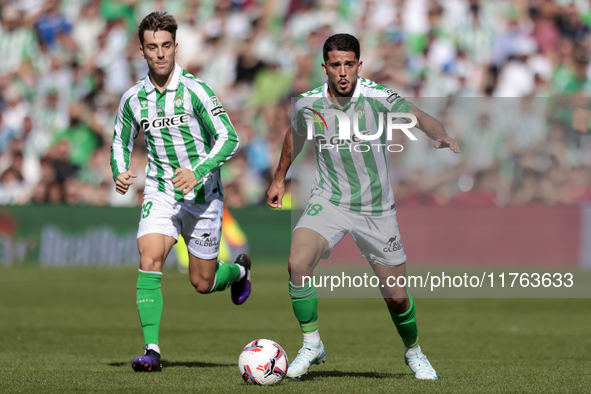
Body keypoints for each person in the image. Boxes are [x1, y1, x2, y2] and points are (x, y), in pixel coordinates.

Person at [267, 33, 460, 380]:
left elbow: (418, 115)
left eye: (349, 64)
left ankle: (414, 351)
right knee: (297, 262)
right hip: (329, 200)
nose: (343, 72)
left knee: (396, 297)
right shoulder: (308, 104)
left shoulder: (377, 96)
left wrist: (439, 134)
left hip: (376, 210)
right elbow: (294, 135)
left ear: (359, 65)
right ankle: (311, 344)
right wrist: (280, 177)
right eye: (336, 65)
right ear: (324, 67)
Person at [110, 12, 251, 373]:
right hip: (160, 190)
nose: (160, 54)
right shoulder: (133, 99)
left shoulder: (196, 90)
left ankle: (238, 273)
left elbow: (229, 137)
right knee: (149, 257)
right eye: (152, 47)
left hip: (203, 194)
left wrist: (198, 170)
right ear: (142, 50)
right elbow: (120, 140)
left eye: (166, 46)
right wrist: (120, 171)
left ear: (176, 47)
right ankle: (152, 349)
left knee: (202, 283)